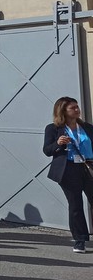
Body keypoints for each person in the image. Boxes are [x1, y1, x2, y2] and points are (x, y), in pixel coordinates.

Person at [44, 97, 93, 253]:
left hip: (88, 166)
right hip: (68, 169)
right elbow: (47, 150)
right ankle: (80, 239)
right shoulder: (53, 129)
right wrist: (58, 144)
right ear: (63, 110)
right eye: (73, 108)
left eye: (77, 107)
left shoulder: (87, 127)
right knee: (76, 204)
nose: (77, 110)